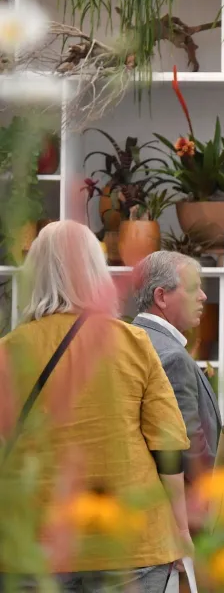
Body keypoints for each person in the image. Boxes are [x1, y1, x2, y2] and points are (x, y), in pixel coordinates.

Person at [0, 221, 191, 591]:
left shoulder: (9, 352)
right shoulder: (133, 342)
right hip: (131, 541)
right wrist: (181, 531)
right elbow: (168, 448)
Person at [132, 251, 221, 489]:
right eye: (193, 288)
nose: (203, 296)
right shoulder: (172, 358)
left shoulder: (132, 340)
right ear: (161, 296)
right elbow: (188, 449)